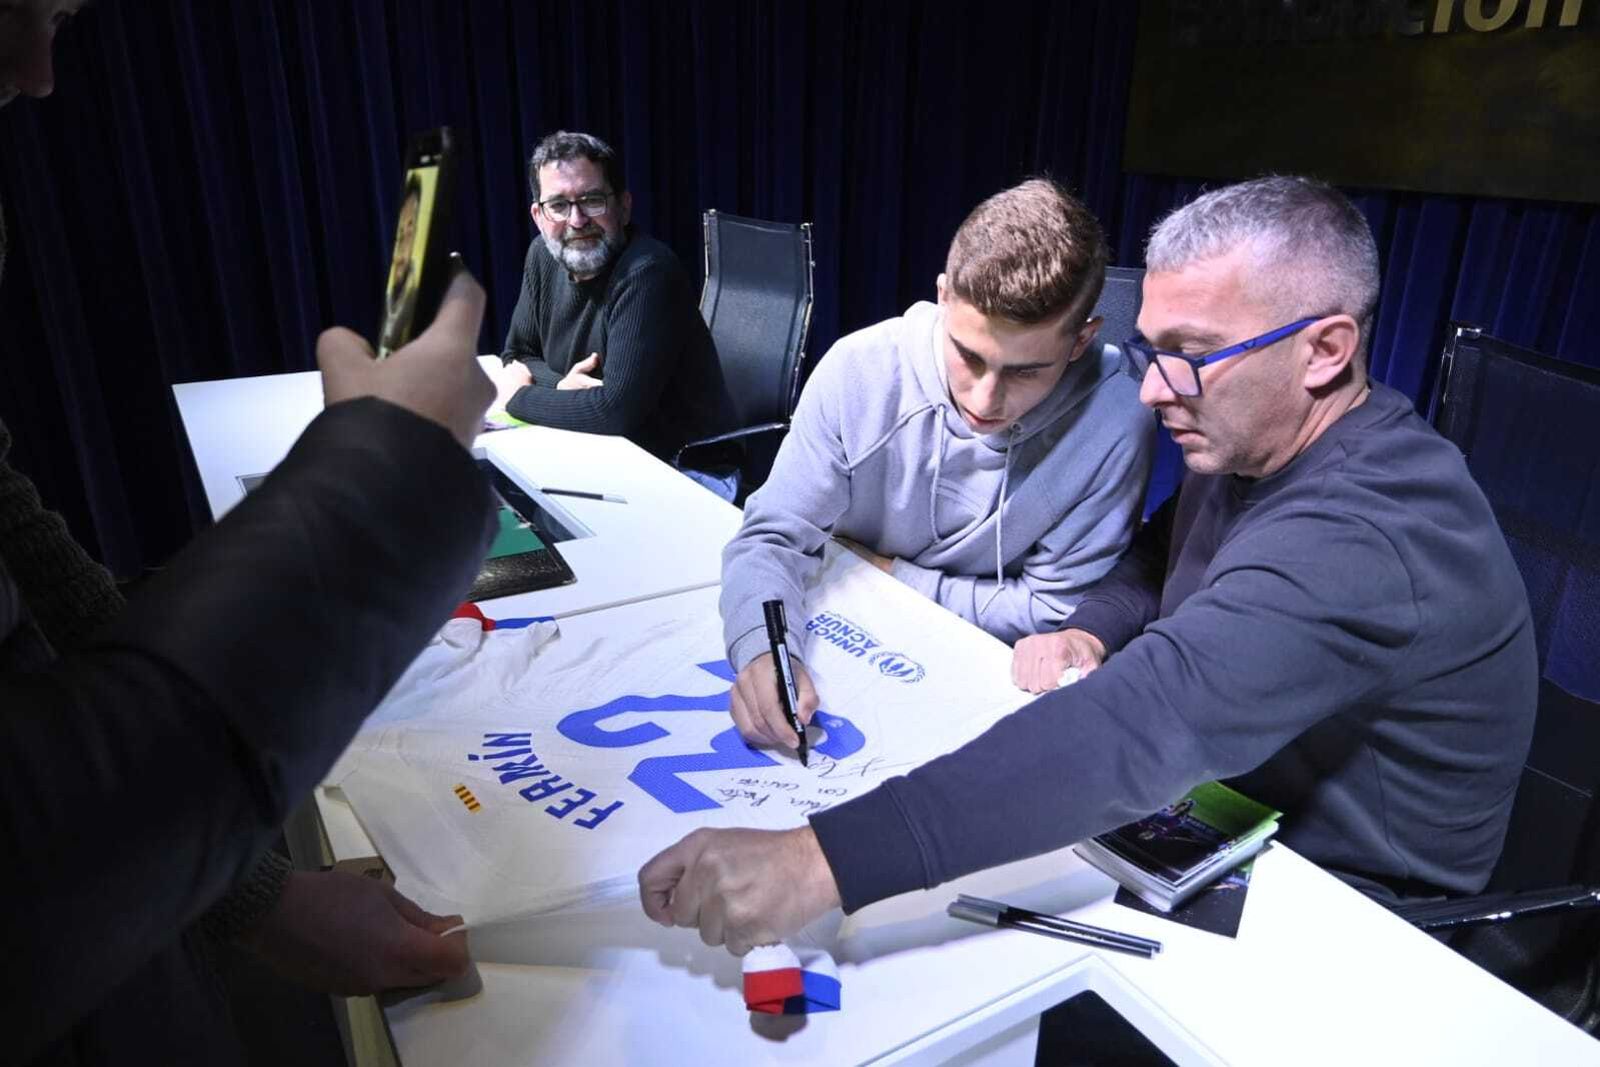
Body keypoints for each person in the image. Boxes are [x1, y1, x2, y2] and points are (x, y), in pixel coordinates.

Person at [639, 175, 1537, 956]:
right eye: (1151, 353)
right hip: (1228, 807)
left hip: (1350, 912)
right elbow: (1162, 550)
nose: (1151, 389)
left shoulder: (1365, 529)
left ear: (1325, 351)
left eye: (1188, 356)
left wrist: (818, 859)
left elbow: (1138, 726)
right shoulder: (1257, 445)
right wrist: (1089, 626)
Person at [1, 4, 498, 1062]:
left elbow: (19, 546)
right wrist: (383, 466)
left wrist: (254, 893)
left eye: (58, 18)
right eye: (9, 13)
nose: (41, 73)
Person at [720, 178, 1154, 752]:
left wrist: (894, 574)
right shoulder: (861, 369)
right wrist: (760, 649)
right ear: (945, 296)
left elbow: (1053, 612)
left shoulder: (1120, 422)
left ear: (1082, 340)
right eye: (969, 356)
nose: (983, 401)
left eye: (1027, 371)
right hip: (832, 622)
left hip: (971, 673)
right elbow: (772, 537)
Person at [487, 130, 733, 463]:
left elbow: (614, 414)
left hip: (682, 468)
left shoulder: (648, 272)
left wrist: (518, 396)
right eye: (558, 205)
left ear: (623, 206)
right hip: (598, 453)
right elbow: (517, 353)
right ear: (539, 217)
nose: (576, 220)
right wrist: (561, 387)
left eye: (592, 200)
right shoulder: (542, 256)